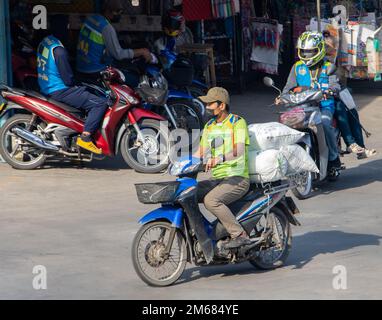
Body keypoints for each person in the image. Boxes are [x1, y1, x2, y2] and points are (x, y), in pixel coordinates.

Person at [37, 15, 110, 154]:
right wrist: (79, 84)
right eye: (68, 27)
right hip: (59, 89)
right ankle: (86, 137)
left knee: (86, 92)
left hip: (46, 85)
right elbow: (68, 80)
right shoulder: (59, 51)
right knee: (100, 102)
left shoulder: (46, 41)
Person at [196, 87, 252, 249]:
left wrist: (218, 158)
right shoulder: (209, 126)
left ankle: (239, 234)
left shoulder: (237, 122)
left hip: (237, 177)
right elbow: (200, 152)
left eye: (210, 104)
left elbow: (239, 150)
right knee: (187, 193)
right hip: (217, 179)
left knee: (211, 201)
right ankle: (203, 234)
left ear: (222, 105)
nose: (206, 107)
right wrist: (177, 160)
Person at [278, 31, 342, 171]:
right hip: (301, 107)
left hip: (323, 106)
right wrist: (282, 97)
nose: (306, 55)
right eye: (304, 52)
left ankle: (333, 157)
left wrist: (331, 90)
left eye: (310, 51)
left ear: (319, 50)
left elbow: (335, 85)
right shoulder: (297, 67)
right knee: (285, 125)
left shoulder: (327, 67)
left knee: (325, 123)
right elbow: (288, 88)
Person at [322, 31, 376, 159]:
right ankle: (351, 143)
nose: (331, 50)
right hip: (321, 97)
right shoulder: (315, 63)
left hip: (333, 92)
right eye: (328, 47)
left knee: (352, 112)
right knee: (341, 108)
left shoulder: (332, 62)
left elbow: (337, 81)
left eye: (333, 48)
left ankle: (360, 148)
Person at [76, 0, 155, 87]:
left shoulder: (91, 18)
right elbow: (118, 54)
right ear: (107, 11)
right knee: (135, 80)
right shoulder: (107, 28)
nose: (119, 15)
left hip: (81, 66)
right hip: (96, 71)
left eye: (121, 12)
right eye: (117, 11)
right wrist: (142, 51)